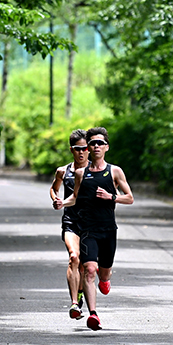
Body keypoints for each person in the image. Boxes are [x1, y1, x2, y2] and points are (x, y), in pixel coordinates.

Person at [57, 126, 133, 331]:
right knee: (89, 269)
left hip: (108, 229)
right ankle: (93, 314)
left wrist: (112, 197)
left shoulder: (115, 171)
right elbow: (74, 197)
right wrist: (61, 203)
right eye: (92, 143)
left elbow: (130, 198)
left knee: (103, 273)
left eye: (100, 143)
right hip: (87, 229)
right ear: (88, 148)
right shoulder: (81, 174)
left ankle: (105, 280)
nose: (96, 146)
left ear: (106, 147)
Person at [50, 129, 89, 320]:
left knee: (84, 265)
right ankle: (74, 303)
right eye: (77, 149)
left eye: (84, 148)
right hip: (71, 221)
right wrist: (56, 199)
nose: (81, 152)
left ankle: (80, 292)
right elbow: (54, 188)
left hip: (91, 223)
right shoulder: (62, 171)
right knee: (74, 257)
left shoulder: (96, 171)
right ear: (71, 150)